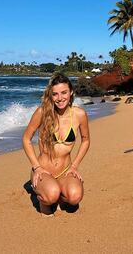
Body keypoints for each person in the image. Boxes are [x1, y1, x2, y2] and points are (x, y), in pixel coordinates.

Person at [22, 73, 90, 216]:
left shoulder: (79, 114)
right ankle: (44, 201)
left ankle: (59, 193)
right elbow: (26, 139)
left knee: (75, 197)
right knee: (51, 195)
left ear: (71, 92)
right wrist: (37, 167)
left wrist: (75, 165)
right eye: (55, 94)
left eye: (64, 92)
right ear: (50, 95)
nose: (60, 98)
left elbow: (86, 140)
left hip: (66, 170)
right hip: (43, 170)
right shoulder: (42, 113)